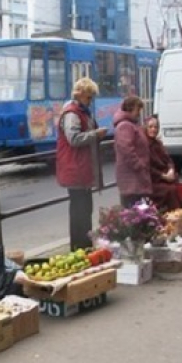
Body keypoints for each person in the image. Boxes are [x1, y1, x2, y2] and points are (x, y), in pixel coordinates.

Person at [55, 77, 108, 250]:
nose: (91, 100)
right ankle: (79, 247)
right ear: (80, 95)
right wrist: (96, 134)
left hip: (80, 168)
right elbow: (74, 139)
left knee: (85, 211)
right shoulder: (72, 114)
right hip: (75, 168)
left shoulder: (82, 112)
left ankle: (84, 246)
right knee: (80, 212)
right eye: (89, 97)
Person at [144, 115, 182, 211]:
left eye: (156, 127)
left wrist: (171, 170)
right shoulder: (143, 145)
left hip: (165, 178)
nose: (153, 129)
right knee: (171, 190)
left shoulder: (158, 143)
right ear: (145, 128)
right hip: (153, 181)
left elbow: (168, 159)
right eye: (150, 127)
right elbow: (147, 167)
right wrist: (163, 176)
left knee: (181, 188)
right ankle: (176, 215)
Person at [113, 96, 152, 207]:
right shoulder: (124, 126)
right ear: (130, 108)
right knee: (133, 211)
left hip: (136, 177)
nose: (139, 113)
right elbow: (126, 149)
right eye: (138, 109)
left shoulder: (131, 124)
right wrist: (139, 165)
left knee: (141, 209)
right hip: (131, 177)